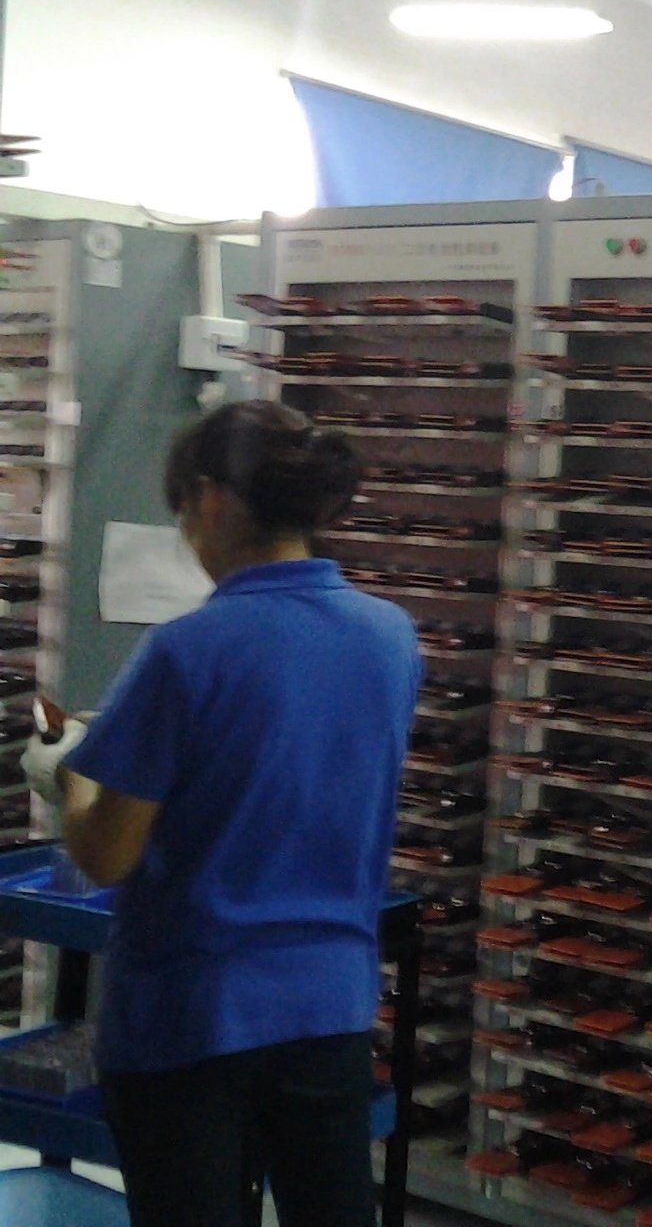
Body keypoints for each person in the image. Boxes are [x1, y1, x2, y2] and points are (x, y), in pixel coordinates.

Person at [22, 400, 422, 1227]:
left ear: (210, 500)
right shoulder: (391, 637)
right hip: (329, 1008)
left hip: (191, 1016)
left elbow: (107, 855)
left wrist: (69, 775)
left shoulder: (186, 649)